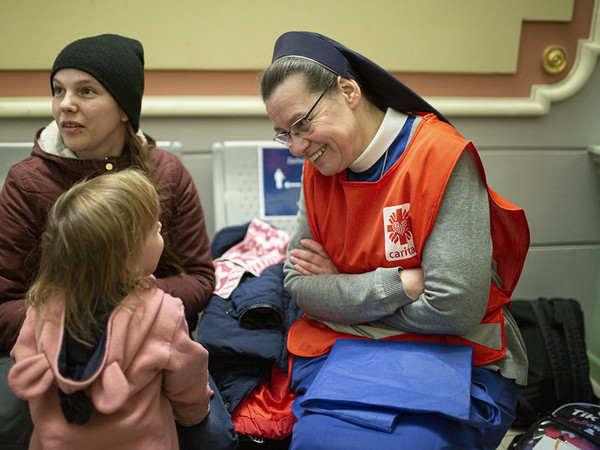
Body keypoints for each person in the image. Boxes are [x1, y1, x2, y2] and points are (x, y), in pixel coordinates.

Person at [259, 31, 530, 449]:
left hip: (451, 355)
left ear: (348, 90)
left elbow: (453, 308)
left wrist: (341, 292)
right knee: (315, 439)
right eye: (284, 134)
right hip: (346, 352)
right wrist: (400, 284)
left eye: (301, 124)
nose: (296, 148)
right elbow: (298, 286)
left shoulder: (439, 156)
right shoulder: (320, 165)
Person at [0, 34, 237, 449]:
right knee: (17, 427)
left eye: (86, 90)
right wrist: (79, 316)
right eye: (58, 90)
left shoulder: (167, 173)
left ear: (125, 110)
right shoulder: (27, 182)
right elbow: (4, 303)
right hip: (49, 346)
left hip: (155, 343)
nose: (64, 105)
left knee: (213, 436)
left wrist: (136, 314)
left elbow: (200, 278)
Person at [8, 169, 211, 448]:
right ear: (128, 259)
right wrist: (193, 416)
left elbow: (23, 357)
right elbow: (188, 380)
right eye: (155, 229)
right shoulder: (163, 312)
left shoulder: (42, 306)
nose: (161, 229)